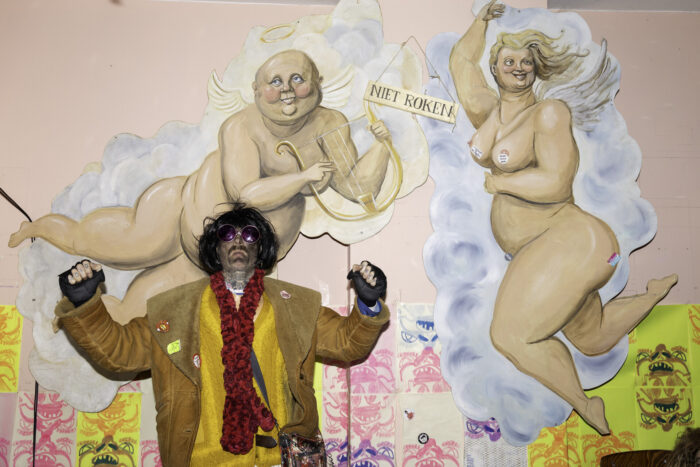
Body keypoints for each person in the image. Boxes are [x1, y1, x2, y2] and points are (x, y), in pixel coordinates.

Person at [10, 49, 392, 323]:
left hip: (216, 259)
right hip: (175, 214)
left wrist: (382, 146)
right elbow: (245, 194)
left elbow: (358, 187)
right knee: (88, 241)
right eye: (276, 82)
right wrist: (303, 178)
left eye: (298, 79)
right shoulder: (242, 126)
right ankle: (35, 227)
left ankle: (75, 315)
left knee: (132, 314)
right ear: (257, 91)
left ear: (317, 84)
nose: (288, 90)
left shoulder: (329, 125)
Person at [449, 0, 677, 435]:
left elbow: (556, 182)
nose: (518, 68)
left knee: (509, 335)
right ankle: (652, 295)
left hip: (579, 243)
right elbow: (460, 62)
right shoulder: (488, 112)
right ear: (494, 68)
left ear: (537, 70)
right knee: (591, 339)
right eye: (509, 61)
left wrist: (502, 184)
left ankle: (586, 405)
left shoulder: (549, 113)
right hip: (563, 251)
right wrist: (480, 21)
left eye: (526, 62)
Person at [54, 204, 389, 466]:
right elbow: (120, 353)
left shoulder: (297, 305)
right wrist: (85, 306)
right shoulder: (174, 310)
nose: (239, 241)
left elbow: (346, 343)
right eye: (227, 234)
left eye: (250, 235)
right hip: (201, 460)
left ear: (262, 248)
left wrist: (368, 305)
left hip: (279, 459)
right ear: (215, 249)